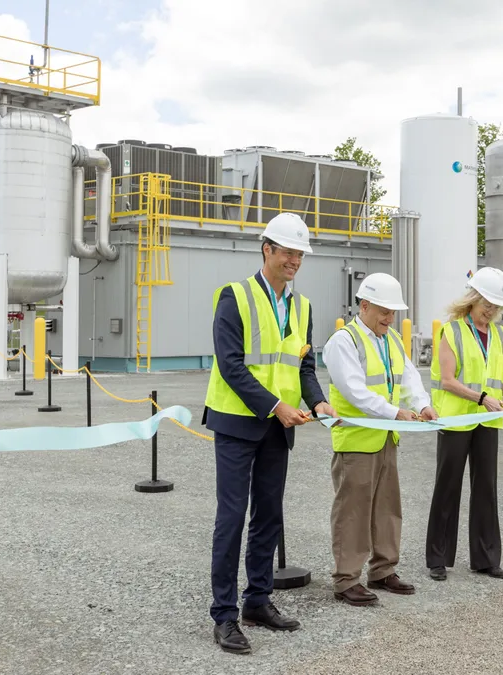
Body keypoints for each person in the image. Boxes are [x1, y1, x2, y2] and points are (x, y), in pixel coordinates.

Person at [202, 212, 336, 655]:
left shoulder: (302, 306)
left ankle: (257, 601)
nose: (295, 260)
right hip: (239, 423)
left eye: (300, 254)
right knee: (232, 516)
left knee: (268, 516)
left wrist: (317, 401)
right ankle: (224, 615)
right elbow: (231, 365)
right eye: (288, 252)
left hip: (279, 427)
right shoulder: (234, 296)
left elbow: (303, 366)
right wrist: (277, 406)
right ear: (267, 250)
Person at [323, 272, 437, 607]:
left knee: (388, 508)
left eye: (393, 312)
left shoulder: (390, 341)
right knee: (353, 511)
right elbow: (354, 392)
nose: (390, 318)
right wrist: (395, 413)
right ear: (365, 305)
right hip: (357, 441)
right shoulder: (345, 342)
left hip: (386, 439)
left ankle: (383, 570)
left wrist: (423, 404)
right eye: (384, 311)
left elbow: (409, 376)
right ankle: (346, 580)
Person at [425, 267, 503, 582]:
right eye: (486, 304)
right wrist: (481, 398)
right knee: (448, 486)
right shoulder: (451, 331)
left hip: (488, 420)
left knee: (486, 487)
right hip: (458, 418)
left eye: (496, 307)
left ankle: (485, 559)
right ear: (473, 298)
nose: (490, 311)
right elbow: (446, 380)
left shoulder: (498, 335)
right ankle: (438, 559)